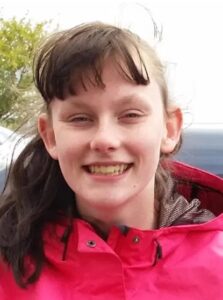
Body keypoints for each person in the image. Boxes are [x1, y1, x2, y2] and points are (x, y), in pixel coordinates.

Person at [0, 21, 223, 300]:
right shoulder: (8, 268)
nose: (105, 139)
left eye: (130, 114)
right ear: (51, 136)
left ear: (169, 129)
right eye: (80, 118)